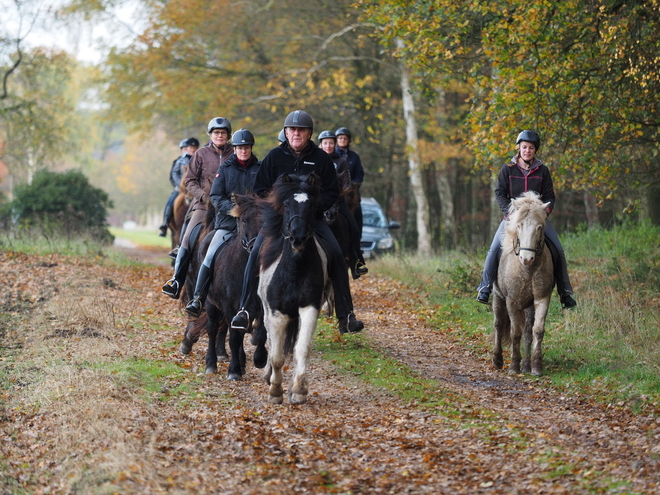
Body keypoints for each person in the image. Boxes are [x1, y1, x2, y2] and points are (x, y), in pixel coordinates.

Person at [230, 110, 364, 335]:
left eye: (301, 130)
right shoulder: (274, 157)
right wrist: (281, 208)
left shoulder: (321, 159)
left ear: (309, 133)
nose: (296, 134)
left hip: (312, 220)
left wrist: (311, 210)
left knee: (337, 255)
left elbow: (332, 191)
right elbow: (260, 189)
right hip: (278, 220)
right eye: (292, 130)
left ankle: (346, 313)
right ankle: (245, 309)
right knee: (254, 254)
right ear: (285, 132)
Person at [476, 130, 577, 309]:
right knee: (493, 249)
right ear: (519, 148)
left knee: (559, 250)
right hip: (512, 219)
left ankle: (565, 292)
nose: (527, 151)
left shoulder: (543, 171)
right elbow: (499, 193)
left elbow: (550, 196)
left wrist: (544, 214)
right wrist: (510, 213)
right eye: (524, 147)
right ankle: (485, 287)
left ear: (535, 150)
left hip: (536, 220)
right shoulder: (507, 169)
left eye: (531, 148)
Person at [184, 129, 261, 317]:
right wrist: (233, 210)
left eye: (246, 147)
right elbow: (216, 196)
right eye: (240, 147)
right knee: (209, 254)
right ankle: (197, 298)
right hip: (227, 224)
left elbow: (266, 194)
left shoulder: (260, 169)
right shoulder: (225, 170)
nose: (243, 150)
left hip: (253, 226)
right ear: (234, 148)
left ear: (251, 148)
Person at [162, 117, 234, 299]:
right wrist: (202, 195)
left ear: (228, 135)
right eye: (216, 133)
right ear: (211, 135)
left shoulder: (236, 152)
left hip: (229, 206)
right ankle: (177, 280)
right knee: (188, 238)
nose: (220, 136)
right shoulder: (200, 154)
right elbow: (190, 181)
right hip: (204, 206)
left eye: (223, 133)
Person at [318, 129, 368, 279]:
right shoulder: (315, 161)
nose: (328, 146)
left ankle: (356, 261)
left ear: (335, 145)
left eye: (331, 143)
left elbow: (347, 184)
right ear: (320, 144)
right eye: (325, 143)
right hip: (319, 202)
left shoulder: (341, 162)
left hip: (337, 202)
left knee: (353, 226)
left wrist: (341, 198)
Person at [158, 138, 199, 237]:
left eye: (194, 147)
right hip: (181, 189)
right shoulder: (180, 160)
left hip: (196, 188)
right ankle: (165, 223)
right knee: (171, 201)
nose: (192, 149)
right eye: (190, 147)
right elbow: (174, 173)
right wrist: (180, 185)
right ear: (187, 148)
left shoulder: (200, 159)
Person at [335, 127, 365, 234]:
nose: (342, 140)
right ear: (336, 140)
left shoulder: (354, 157)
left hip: (351, 191)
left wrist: (354, 185)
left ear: (349, 140)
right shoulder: (332, 155)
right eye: (340, 138)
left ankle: (357, 240)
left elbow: (359, 173)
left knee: (358, 214)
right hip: (336, 190)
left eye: (345, 138)